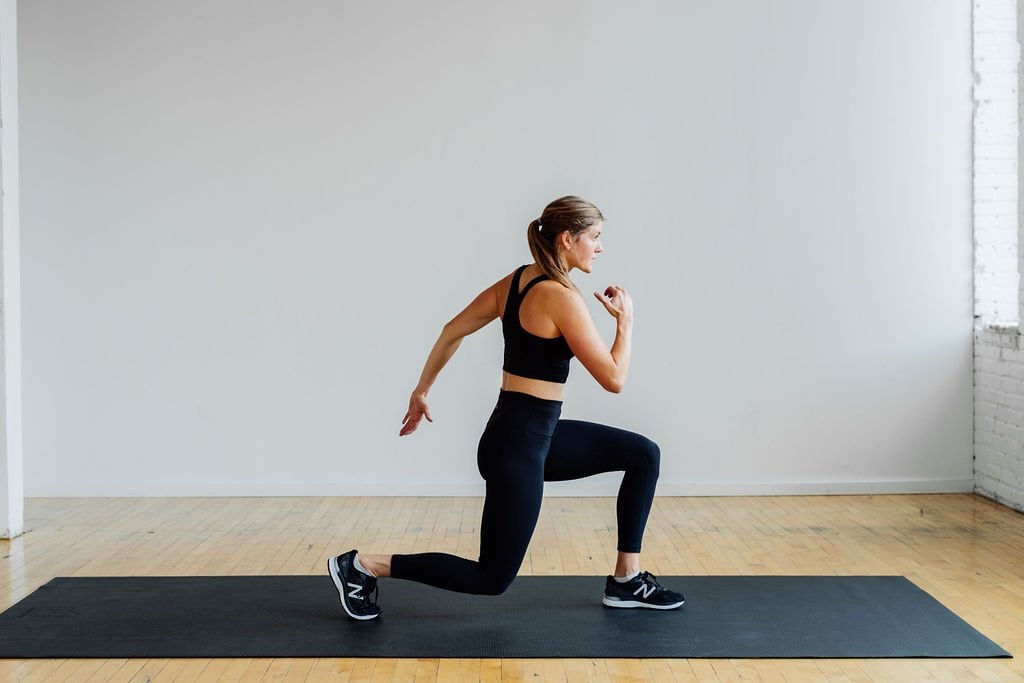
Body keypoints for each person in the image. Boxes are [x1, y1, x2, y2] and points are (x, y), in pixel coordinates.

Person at [328, 195, 684, 620]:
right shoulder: (560, 296)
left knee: (643, 453)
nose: (601, 248)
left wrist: (422, 390)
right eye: (596, 237)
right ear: (568, 239)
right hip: (518, 449)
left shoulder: (517, 283)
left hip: (527, 436)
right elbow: (614, 379)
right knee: (491, 578)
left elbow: (451, 330)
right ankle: (363, 566)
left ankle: (627, 580)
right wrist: (626, 323)